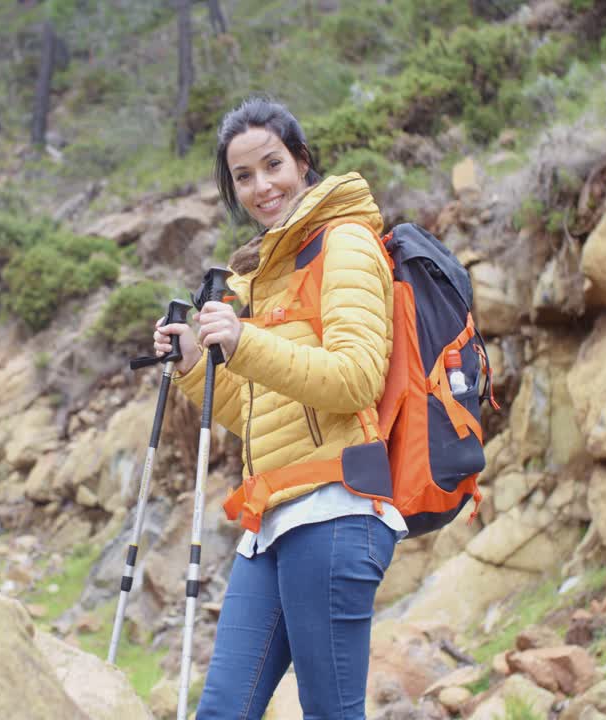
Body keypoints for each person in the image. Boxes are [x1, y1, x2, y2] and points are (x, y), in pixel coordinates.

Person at [153, 97, 406, 720]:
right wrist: (193, 364)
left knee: (330, 712)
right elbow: (260, 415)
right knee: (223, 711)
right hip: (271, 518)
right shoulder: (263, 272)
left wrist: (245, 340)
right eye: (244, 176)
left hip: (336, 509)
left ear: (303, 162)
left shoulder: (343, 243)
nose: (261, 186)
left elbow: (355, 380)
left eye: (273, 165)